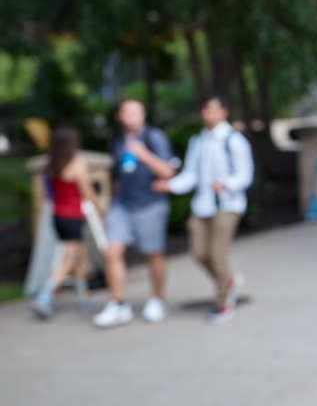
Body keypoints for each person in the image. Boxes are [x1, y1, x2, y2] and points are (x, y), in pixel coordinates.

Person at [155, 95, 253, 324]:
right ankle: (228, 280)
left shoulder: (234, 140)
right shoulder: (198, 141)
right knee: (199, 253)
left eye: (214, 110)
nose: (209, 114)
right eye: (206, 110)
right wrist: (170, 185)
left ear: (224, 112)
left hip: (227, 205)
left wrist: (227, 184)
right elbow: (191, 174)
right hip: (203, 205)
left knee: (218, 254)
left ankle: (222, 303)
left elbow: (245, 174)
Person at [94, 99, 176, 329]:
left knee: (154, 254)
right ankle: (118, 303)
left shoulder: (154, 137)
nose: (133, 117)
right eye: (128, 113)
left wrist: (143, 154)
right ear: (120, 116)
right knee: (112, 251)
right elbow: (119, 175)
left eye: (137, 112)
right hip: (123, 204)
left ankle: (157, 299)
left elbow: (168, 171)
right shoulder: (118, 141)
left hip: (150, 204)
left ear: (144, 114)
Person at [30, 128, 101, 319]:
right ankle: (44, 296)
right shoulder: (76, 164)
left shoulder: (52, 165)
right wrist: (100, 206)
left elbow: (47, 193)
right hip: (73, 216)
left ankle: (81, 295)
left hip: (58, 216)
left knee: (79, 255)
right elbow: (86, 191)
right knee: (68, 260)